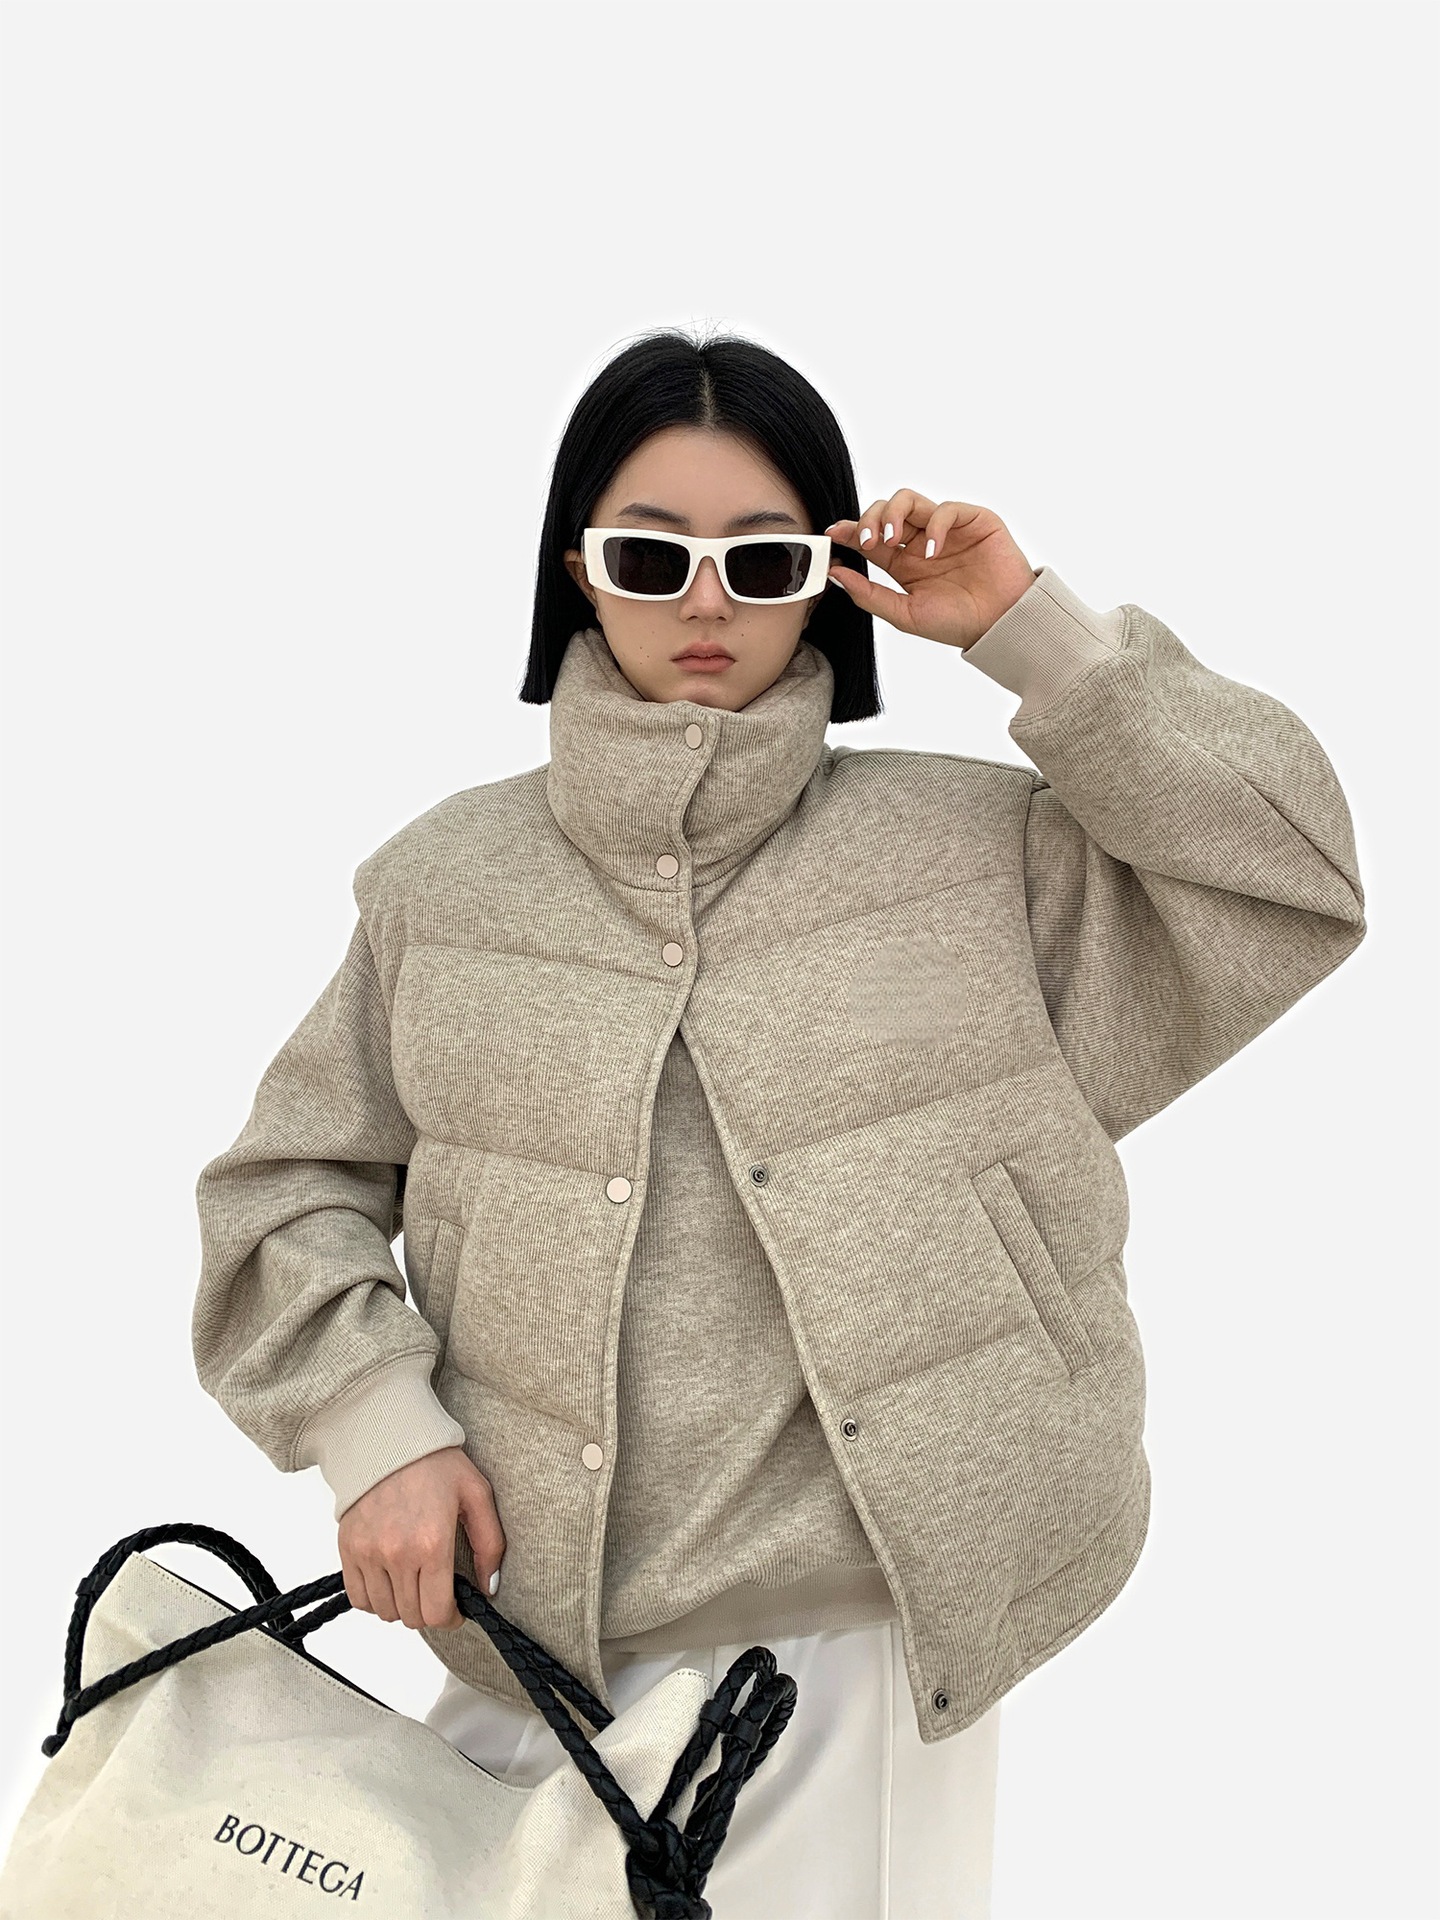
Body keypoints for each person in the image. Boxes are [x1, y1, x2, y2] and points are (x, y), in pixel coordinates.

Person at [191, 329, 1366, 1917]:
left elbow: (1287, 877)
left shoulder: (982, 855)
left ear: (824, 577)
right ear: (578, 572)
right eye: (650, 555)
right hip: (530, 1643)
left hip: (872, 1649)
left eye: (762, 560)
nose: (706, 602)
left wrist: (1026, 627)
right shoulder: (444, 886)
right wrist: (377, 1435)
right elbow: (285, 1189)